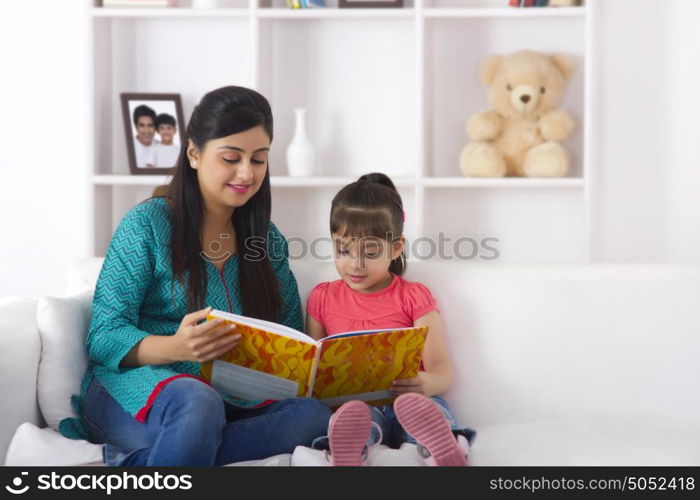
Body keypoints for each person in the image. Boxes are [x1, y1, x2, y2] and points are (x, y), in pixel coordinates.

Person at [59, 86, 332, 466]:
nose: (245, 173)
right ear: (193, 153)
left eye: (258, 159)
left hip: (230, 399)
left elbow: (289, 340)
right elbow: (104, 336)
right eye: (231, 158)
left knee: (313, 415)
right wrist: (176, 347)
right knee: (196, 403)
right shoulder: (148, 224)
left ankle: (136, 465)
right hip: (138, 391)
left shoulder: (267, 241)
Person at [305, 173, 476, 466]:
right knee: (356, 418)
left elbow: (442, 371)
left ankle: (443, 448)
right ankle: (348, 453)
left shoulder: (413, 296)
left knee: (424, 408)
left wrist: (425, 384)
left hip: (408, 399)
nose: (355, 264)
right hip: (357, 405)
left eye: (370, 253)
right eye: (343, 250)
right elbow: (313, 370)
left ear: (396, 248)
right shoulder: (321, 298)